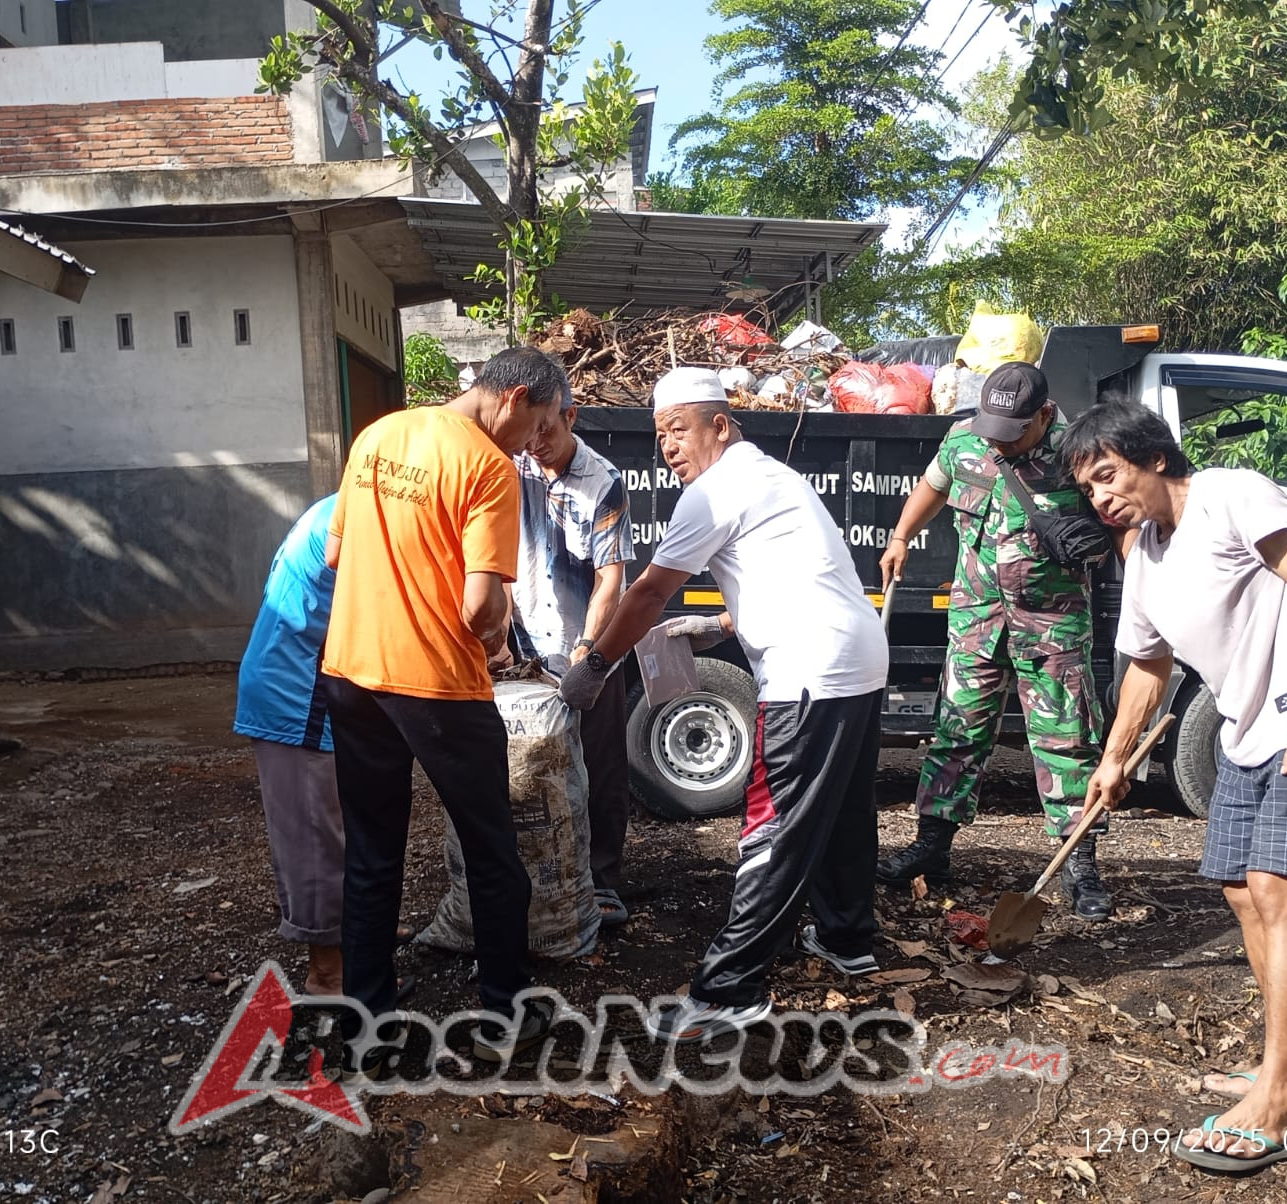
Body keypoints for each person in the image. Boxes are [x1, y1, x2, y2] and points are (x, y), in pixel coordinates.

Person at [1064, 401, 1287, 1173]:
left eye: (1108, 475)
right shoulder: (1145, 555)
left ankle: (1276, 1102)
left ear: (1154, 458)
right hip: (1243, 730)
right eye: (1088, 488)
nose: (1101, 497)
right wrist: (1114, 758)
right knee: (1241, 891)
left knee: (1276, 887)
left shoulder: (1231, 494)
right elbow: (1149, 664)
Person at [560, 367, 889, 1043]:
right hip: (859, 659)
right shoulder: (774, 477)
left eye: (679, 430)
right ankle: (848, 938)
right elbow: (803, 575)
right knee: (846, 814)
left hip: (809, 672)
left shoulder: (713, 493)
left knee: (771, 828)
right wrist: (719, 626)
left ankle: (729, 989)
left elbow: (647, 593)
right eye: (660, 436)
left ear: (720, 424)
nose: (669, 449)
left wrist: (595, 666)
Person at [322, 346, 570, 1062]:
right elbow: (477, 608)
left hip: (352, 670)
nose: (534, 443)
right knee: (494, 852)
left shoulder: (378, 434)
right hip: (436, 684)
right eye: (541, 423)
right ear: (517, 397)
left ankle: (366, 1029)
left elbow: (337, 555)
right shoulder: (489, 467)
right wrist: (497, 633)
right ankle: (505, 1014)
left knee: (372, 854)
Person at [875, 361, 1113, 920]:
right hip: (975, 622)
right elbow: (933, 486)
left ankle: (1080, 866)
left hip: (1052, 625)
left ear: (1046, 415)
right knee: (955, 733)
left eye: (1014, 432)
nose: (998, 443)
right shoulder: (963, 438)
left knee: (1067, 741)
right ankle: (932, 849)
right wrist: (901, 535)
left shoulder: (1078, 449)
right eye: (992, 429)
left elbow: (1119, 523)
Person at [233, 496, 414, 999]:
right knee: (316, 840)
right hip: (299, 692)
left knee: (344, 821)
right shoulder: (364, 516)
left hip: (316, 684)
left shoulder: (356, 502)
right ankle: (328, 973)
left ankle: (354, 933)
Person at [510, 397, 637, 927]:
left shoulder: (602, 482)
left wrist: (588, 655)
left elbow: (611, 578)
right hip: (523, 643)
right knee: (530, 764)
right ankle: (535, 872)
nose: (536, 443)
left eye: (547, 431)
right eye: (528, 432)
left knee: (600, 762)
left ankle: (602, 877)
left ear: (572, 417)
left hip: (586, 640)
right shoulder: (511, 462)